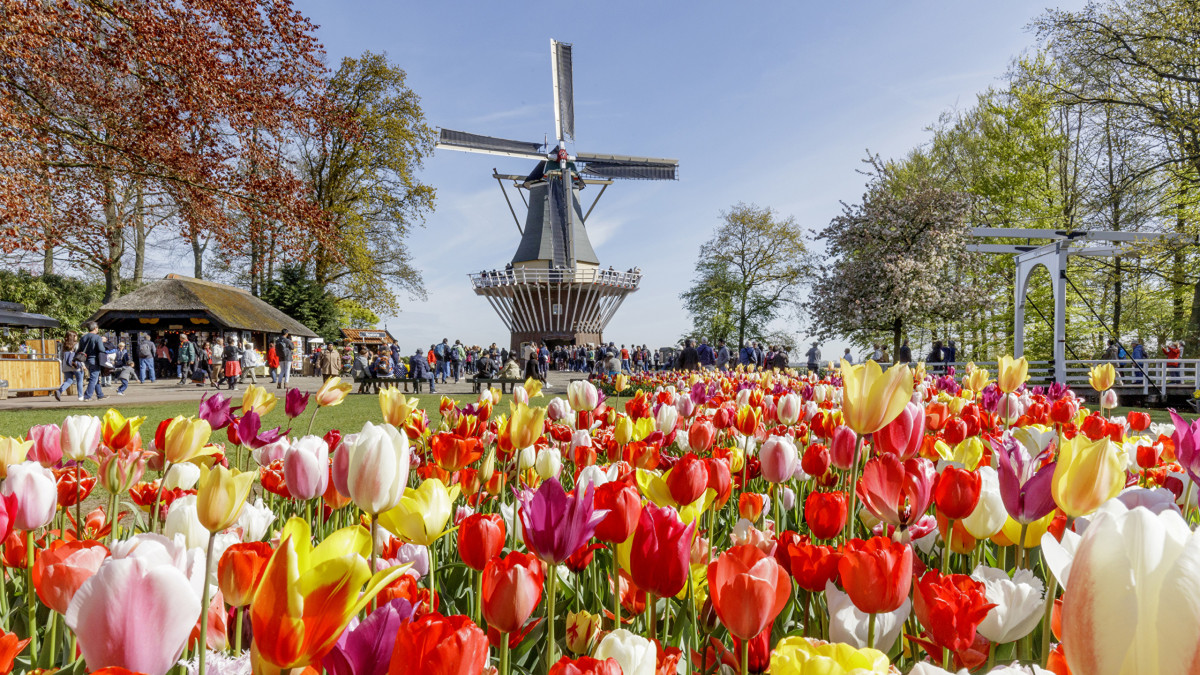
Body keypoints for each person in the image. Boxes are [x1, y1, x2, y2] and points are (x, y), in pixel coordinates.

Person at [77, 321, 107, 401]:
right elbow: (101, 349)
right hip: (95, 360)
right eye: (97, 328)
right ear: (95, 328)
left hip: (87, 360)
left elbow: (80, 349)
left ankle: (100, 395)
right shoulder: (97, 337)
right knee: (93, 378)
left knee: (95, 377)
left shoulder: (83, 337)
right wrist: (103, 344)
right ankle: (87, 396)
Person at [54, 331, 82, 402]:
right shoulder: (77, 345)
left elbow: (61, 356)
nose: (77, 337)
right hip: (75, 365)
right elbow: (80, 356)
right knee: (79, 380)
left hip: (66, 366)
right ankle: (80, 396)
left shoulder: (63, 346)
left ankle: (59, 391)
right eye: (76, 336)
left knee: (69, 380)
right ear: (73, 337)